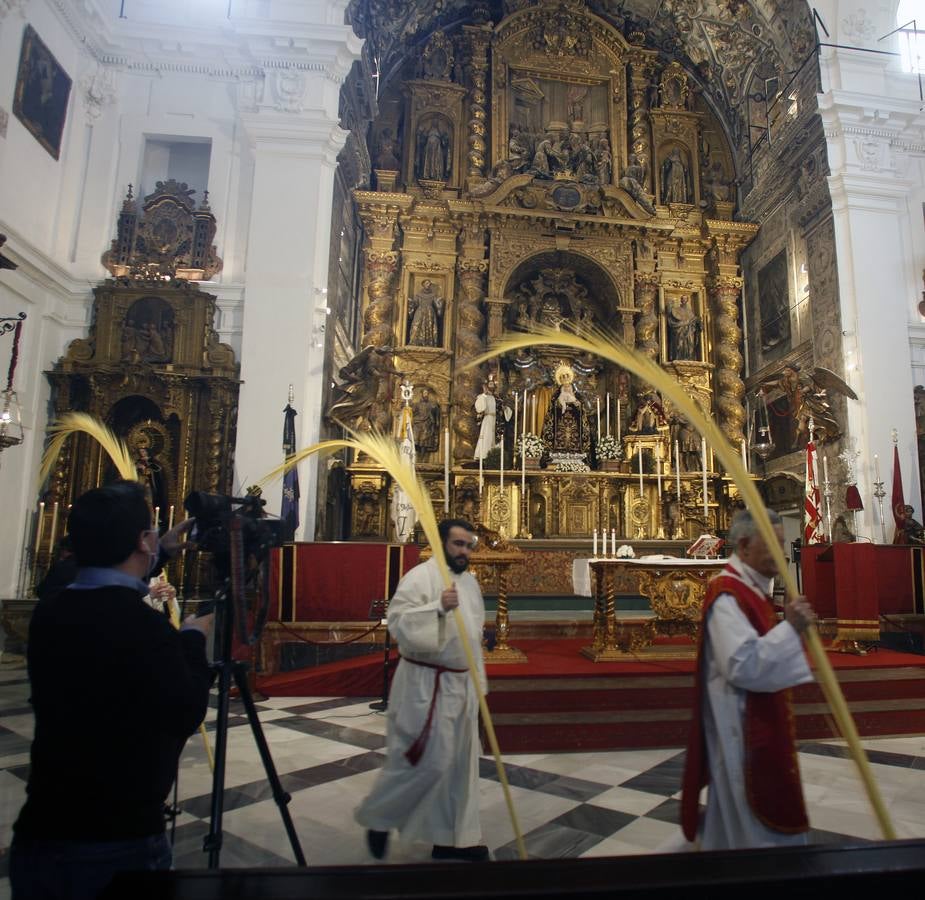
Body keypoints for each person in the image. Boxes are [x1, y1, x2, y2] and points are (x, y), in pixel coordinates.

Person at [10, 480, 214, 899]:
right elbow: (184, 711)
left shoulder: (51, 612)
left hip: (43, 824)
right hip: (116, 835)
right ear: (142, 539)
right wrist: (192, 640)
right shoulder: (144, 627)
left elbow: (103, 586)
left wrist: (158, 554)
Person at [680, 508, 816, 850]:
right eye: (773, 544)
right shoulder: (728, 594)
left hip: (754, 720)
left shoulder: (751, 589)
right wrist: (791, 629)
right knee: (749, 826)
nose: (783, 554)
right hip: (740, 728)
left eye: (783, 543)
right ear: (744, 547)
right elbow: (742, 664)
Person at [355, 519, 489, 862]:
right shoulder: (420, 578)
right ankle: (380, 817)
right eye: (458, 544)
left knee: (461, 767)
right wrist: (438, 608)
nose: (464, 551)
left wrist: (479, 685)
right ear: (441, 543)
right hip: (427, 684)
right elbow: (398, 623)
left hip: (462, 684)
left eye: (468, 545)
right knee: (430, 761)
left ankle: (452, 840)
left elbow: (472, 632)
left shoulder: (470, 583)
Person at [407, 279, 444, 347]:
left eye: (429, 284)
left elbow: (437, 305)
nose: (428, 285)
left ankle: (429, 343)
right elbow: (415, 304)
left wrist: (440, 303)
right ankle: (415, 342)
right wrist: (410, 303)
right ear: (423, 284)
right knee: (416, 326)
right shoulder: (418, 295)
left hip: (430, 313)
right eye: (427, 283)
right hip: (420, 311)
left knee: (429, 327)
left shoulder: (433, 295)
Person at [667, 295, 701, 361]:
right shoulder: (676, 310)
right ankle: (678, 358)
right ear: (680, 300)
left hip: (689, 334)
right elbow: (673, 323)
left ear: (687, 300)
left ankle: (689, 358)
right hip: (679, 333)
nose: (683, 300)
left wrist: (697, 323)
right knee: (679, 345)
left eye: (685, 299)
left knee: (690, 346)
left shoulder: (690, 312)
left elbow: (693, 323)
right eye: (682, 298)